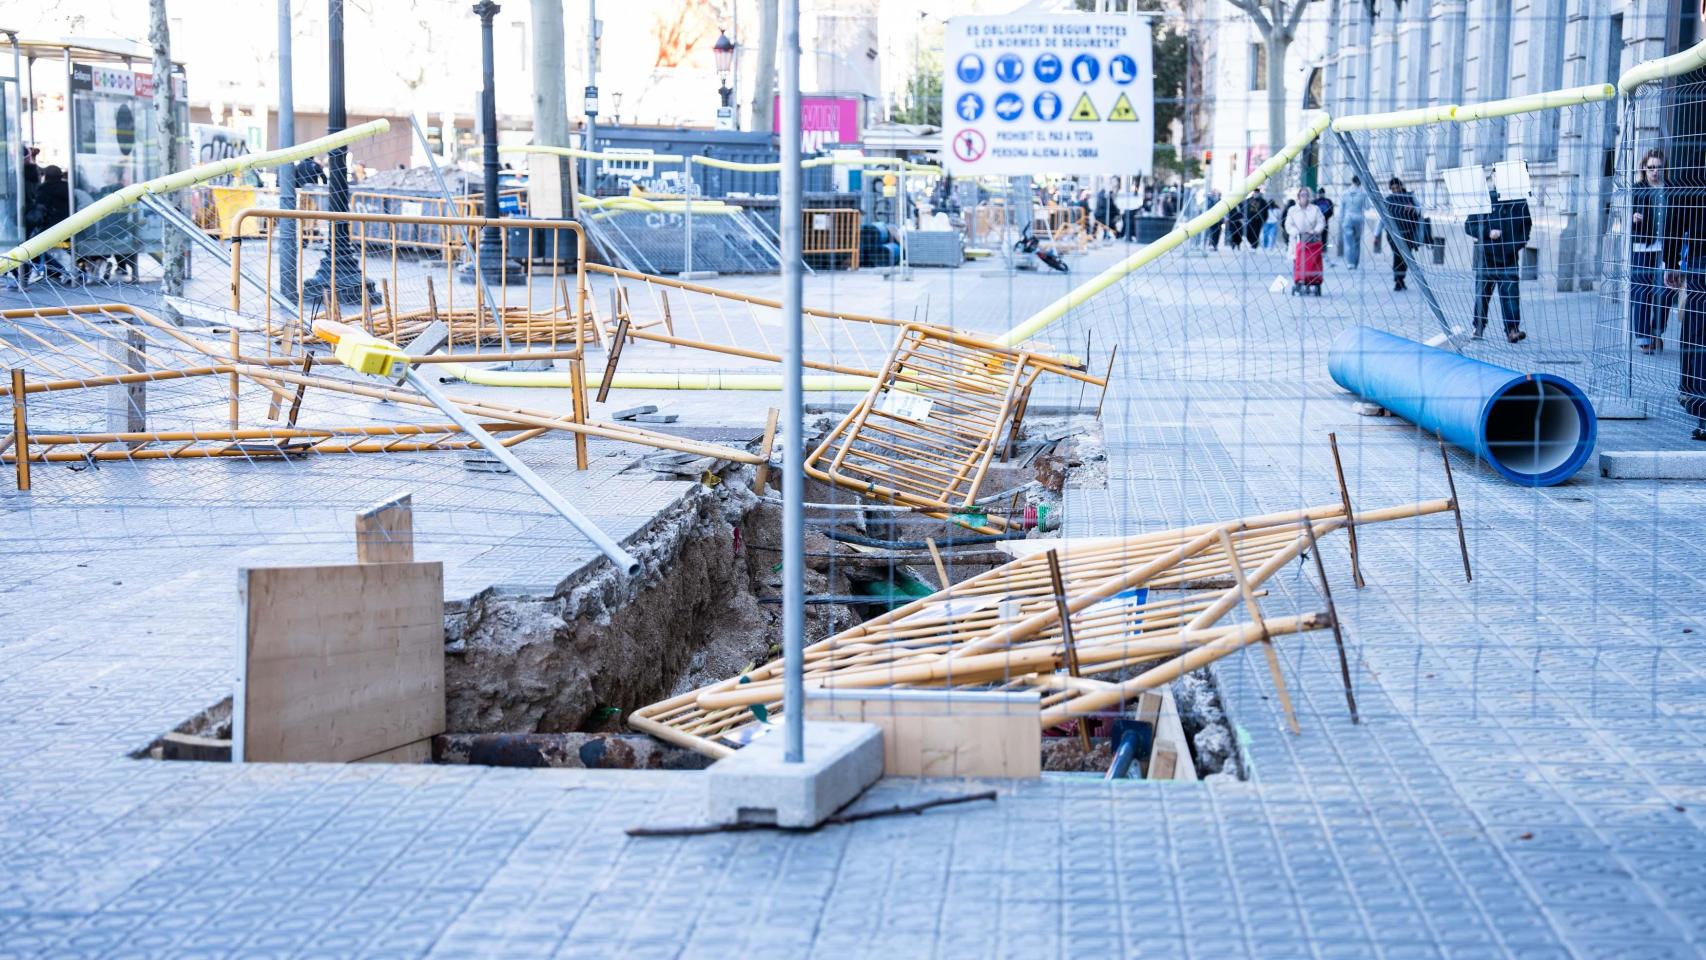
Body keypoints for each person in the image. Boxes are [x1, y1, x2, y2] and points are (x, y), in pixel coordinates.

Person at [1465, 181, 1533, 342]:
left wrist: (1518, 244)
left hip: (1509, 258)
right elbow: (1469, 226)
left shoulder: (1519, 202)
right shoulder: (1485, 198)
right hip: (1486, 258)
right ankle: (1478, 328)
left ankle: (1512, 330)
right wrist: (1488, 232)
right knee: (1482, 295)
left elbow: (1527, 225)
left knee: (1511, 295)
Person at [1632, 149, 1676, 354]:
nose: (1654, 172)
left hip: (1665, 249)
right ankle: (1643, 339)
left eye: (1658, 167)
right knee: (1642, 292)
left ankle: (1656, 331)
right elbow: (1625, 215)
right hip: (1643, 247)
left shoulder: (1671, 190)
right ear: (1644, 168)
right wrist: (1633, 218)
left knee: (1665, 292)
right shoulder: (1638, 189)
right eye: (1650, 168)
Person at [1385, 177, 1422, 290]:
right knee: (1397, 255)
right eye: (1393, 188)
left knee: (1406, 256)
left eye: (1397, 187)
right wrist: (1377, 233)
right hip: (1393, 234)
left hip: (1408, 233)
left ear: (1401, 186)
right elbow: (1383, 217)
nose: (1395, 190)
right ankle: (1398, 280)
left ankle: (1401, 279)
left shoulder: (1409, 196)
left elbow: (1420, 210)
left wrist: (1413, 208)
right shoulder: (1389, 200)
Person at [1339, 176, 1371, 269]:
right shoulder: (1363, 193)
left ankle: (1350, 263)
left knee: (1348, 242)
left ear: (1351, 181)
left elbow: (1341, 209)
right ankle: (1355, 262)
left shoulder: (1345, 193)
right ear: (1360, 182)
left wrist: (1341, 221)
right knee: (1357, 241)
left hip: (1347, 218)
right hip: (1358, 218)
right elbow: (1367, 207)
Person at [1314, 187, 1334, 255]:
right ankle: (1317, 249)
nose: (1320, 195)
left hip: (1325, 221)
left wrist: (1325, 216)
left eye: (1322, 193)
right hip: (1316, 222)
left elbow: (1331, 211)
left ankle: (1323, 250)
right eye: (1319, 193)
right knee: (1317, 235)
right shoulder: (1315, 201)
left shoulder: (1328, 201)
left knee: (1324, 236)